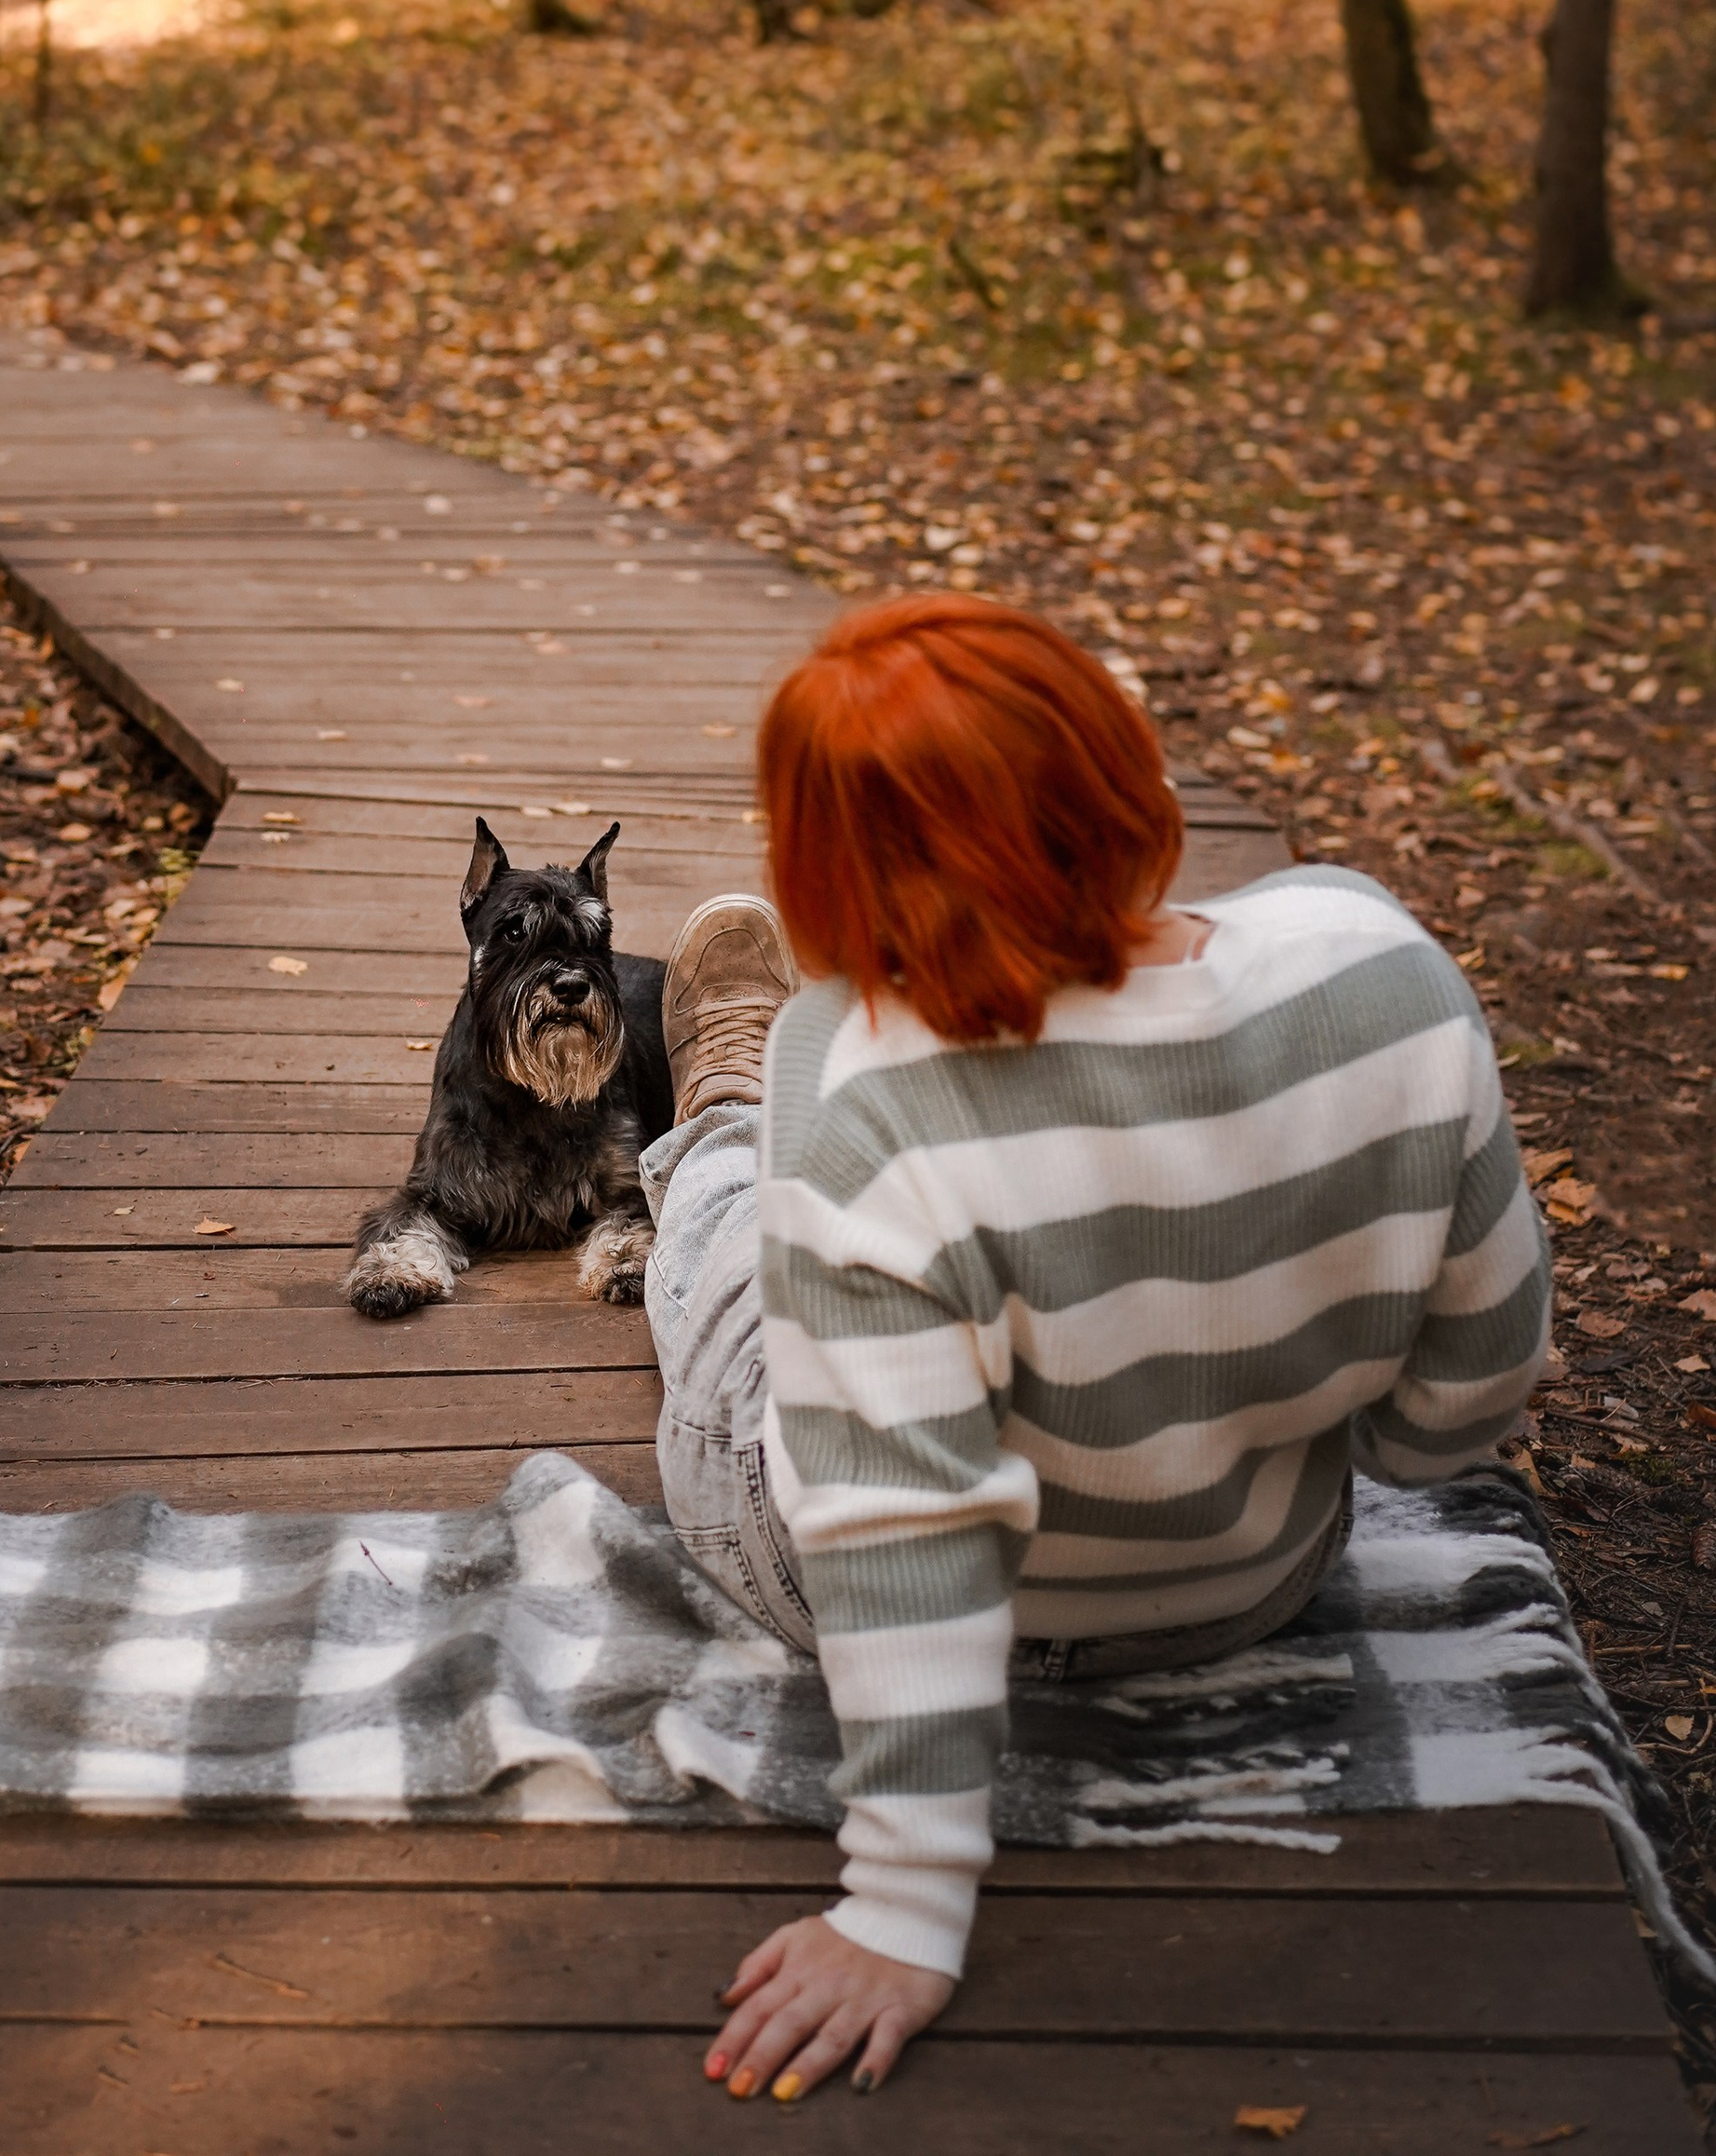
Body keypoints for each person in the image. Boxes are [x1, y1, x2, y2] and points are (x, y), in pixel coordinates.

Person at [639, 592, 1551, 2108]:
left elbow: (898, 1539)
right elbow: (1473, 1388)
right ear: (1134, 778)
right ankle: (737, 1150)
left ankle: (711, 1128)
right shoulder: (1382, 972)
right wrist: (1380, 1445)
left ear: (830, 879)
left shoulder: (860, 1076)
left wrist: (905, 1911)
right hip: (1243, 1587)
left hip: (855, 1586)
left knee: (738, 1272)